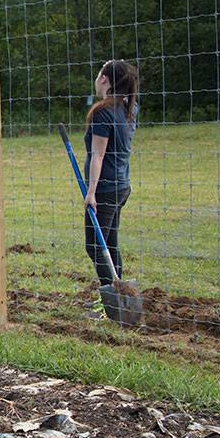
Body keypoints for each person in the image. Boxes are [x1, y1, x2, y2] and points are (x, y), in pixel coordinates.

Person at [83, 59, 138, 300]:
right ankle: (120, 293)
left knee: (96, 245)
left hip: (105, 188)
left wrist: (91, 192)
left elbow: (98, 155)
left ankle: (113, 298)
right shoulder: (128, 107)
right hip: (121, 186)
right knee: (110, 242)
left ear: (104, 79)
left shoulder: (103, 112)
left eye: (98, 75)